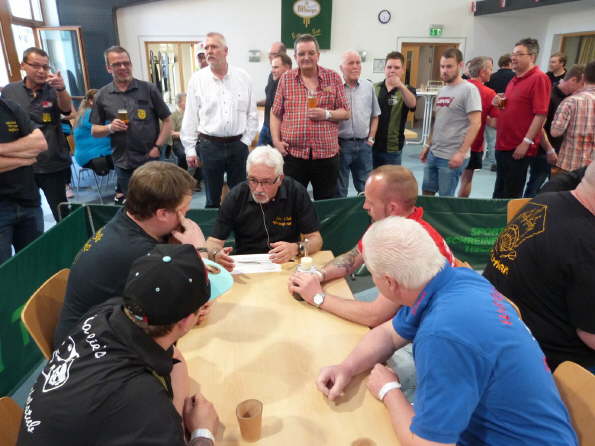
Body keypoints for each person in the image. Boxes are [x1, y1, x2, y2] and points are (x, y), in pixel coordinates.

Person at [317, 217, 578, 446]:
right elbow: (388, 333)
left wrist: (389, 390)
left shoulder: (442, 336)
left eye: (372, 274)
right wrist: (347, 368)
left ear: (389, 282)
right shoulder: (452, 280)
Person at [18, 244, 222, 446]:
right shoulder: (144, 404)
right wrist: (202, 433)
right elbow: (149, 411)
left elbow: (174, 357)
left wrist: (173, 421)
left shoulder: (106, 312)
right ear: (186, 321)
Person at [54, 161, 207, 346]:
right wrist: (200, 251)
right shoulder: (141, 253)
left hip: (97, 327)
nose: (187, 215)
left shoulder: (128, 216)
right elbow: (199, 298)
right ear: (162, 214)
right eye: (183, 210)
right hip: (89, 348)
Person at [289, 165, 454, 328]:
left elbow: (375, 316)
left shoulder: (403, 245)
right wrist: (318, 275)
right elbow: (352, 258)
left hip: (437, 326)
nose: (364, 206)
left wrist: (317, 297)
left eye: (370, 201)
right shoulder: (391, 223)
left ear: (392, 208)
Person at [484, 162, 595, 372]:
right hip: (552, 363)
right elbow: (590, 336)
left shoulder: (545, 200)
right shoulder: (586, 245)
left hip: (501, 333)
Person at [206, 145, 322, 271]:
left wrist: (296, 248)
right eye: (253, 180)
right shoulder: (236, 196)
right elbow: (213, 242)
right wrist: (215, 254)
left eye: (266, 182)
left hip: (287, 263)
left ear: (280, 179)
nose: (258, 189)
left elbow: (316, 239)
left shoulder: (295, 192)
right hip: (247, 266)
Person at [181, 32, 258, 208]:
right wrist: (190, 149)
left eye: (214, 47)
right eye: (206, 47)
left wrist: (245, 141)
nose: (209, 51)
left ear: (225, 51)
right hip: (209, 146)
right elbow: (190, 116)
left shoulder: (243, 77)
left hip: (238, 145)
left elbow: (252, 114)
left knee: (240, 195)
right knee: (212, 198)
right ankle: (214, 225)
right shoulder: (197, 80)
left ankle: (239, 224)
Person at [270, 34, 350, 200]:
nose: (306, 57)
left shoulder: (333, 77)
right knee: (291, 201)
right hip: (294, 155)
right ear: (295, 57)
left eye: (311, 53)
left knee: (326, 203)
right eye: (301, 54)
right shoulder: (286, 79)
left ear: (318, 55)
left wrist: (326, 114)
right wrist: (276, 141)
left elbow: (345, 112)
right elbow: (276, 113)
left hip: (326, 155)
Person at [90, 46, 172, 203]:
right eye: (117, 64)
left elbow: (168, 121)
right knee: (134, 205)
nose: (123, 67)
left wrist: (158, 147)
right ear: (108, 68)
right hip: (123, 162)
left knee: (156, 201)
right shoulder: (102, 95)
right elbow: (95, 130)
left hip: (150, 159)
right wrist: (110, 127)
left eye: (126, 63)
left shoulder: (148, 89)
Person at [2, 47, 73, 222]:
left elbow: (67, 110)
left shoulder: (53, 89)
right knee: (27, 213)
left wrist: (62, 89)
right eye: (35, 66)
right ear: (23, 65)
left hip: (52, 161)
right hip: (22, 164)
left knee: (61, 212)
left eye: (45, 67)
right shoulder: (10, 91)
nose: (41, 71)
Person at [492, 38, 550, 199]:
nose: (513, 58)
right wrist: (499, 102)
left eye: (519, 54)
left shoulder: (539, 78)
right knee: (499, 191)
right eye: (513, 54)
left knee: (510, 194)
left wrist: (526, 141)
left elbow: (541, 114)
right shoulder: (514, 79)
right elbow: (511, 107)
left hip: (518, 146)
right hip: (503, 143)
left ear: (532, 57)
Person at [420, 48, 481, 197]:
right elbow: (438, 121)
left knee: (445, 198)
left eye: (449, 66)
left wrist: (461, 153)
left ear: (460, 65)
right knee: (427, 193)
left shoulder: (469, 90)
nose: (444, 70)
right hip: (434, 153)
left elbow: (475, 123)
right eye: (442, 66)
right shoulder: (442, 91)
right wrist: (428, 145)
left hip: (451, 156)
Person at [524, 64, 585, 197]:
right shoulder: (550, 96)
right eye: (582, 84)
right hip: (544, 151)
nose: (583, 89)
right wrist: (549, 150)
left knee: (556, 191)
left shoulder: (570, 98)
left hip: (559, 153)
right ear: (573, 80)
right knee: (534, 188)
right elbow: (539, 126)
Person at [0, 98, 47, 264]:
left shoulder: (10, 107)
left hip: (28, 202)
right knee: (3, 272)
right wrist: (25, 158)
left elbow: (40, 143)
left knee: (35, 265)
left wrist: (2, 150)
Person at [336, 50, 380, 197]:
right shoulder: (335, 88)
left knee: (366, 189)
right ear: (341, 68)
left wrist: (371, 139)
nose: (355, 66)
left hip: (364, 146)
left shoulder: (368, 87)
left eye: (358, 63)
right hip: (341, 146)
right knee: (339, 189)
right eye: (350, 63)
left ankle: (365, 212)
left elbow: (375, 115)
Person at [458, 56, 498, 198]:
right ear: (482, 72)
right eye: (490, 69)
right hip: (474, 143)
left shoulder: (458, 87)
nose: (492, 72)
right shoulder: (489, 93)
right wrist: (504, 105)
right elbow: (495, 123)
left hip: (453, 141)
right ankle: (460, 207)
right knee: (466, 179)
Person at [372, 51, 416, 169]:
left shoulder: (408, 89)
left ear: (402, 70)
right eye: (389, 67)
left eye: (396, 67)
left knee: (392, 179)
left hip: (393, 147)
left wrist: (400, 86)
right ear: (384, 69)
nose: (392, 70)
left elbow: (412, 105)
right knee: (373, 178)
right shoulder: (374, 88)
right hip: (372, 145)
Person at [551, 60, 595, 174]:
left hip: (569, 164)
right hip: (591, 169)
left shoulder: (571, 101)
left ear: (583, 77)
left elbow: (555, 132)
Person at [485, 53, 515, 171]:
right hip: (508, 110)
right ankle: (504, 161)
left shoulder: (492, 76)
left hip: (492, 108)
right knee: (506, 137)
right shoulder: (515, 77)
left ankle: (494, 162)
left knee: (492, 138)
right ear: (510, 63)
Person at [73, 89, 113, 175]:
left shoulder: (84, 112)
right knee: (127, 159)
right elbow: (109, 126)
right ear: (91, 101)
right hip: (94, 157)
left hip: (88, 155)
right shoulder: (89, 113)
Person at [258, 53, 292, 146]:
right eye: (272, 67)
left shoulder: (293, 85)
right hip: (266, 126)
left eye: (276, 67)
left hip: (280, 131)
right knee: (258, 154)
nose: (272, 70)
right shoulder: (272, 77)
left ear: (287, 67)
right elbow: (270, 98)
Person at [169, 92, 189, 171]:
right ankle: (183, 174)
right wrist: (184, 134)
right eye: (186, 100)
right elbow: (171, 133)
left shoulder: (191, 114)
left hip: (192, 140)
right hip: (179, 141)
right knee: (183, 155)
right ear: (179, 103)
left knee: (201, 153)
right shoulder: (173, 115)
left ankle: (197, 176)